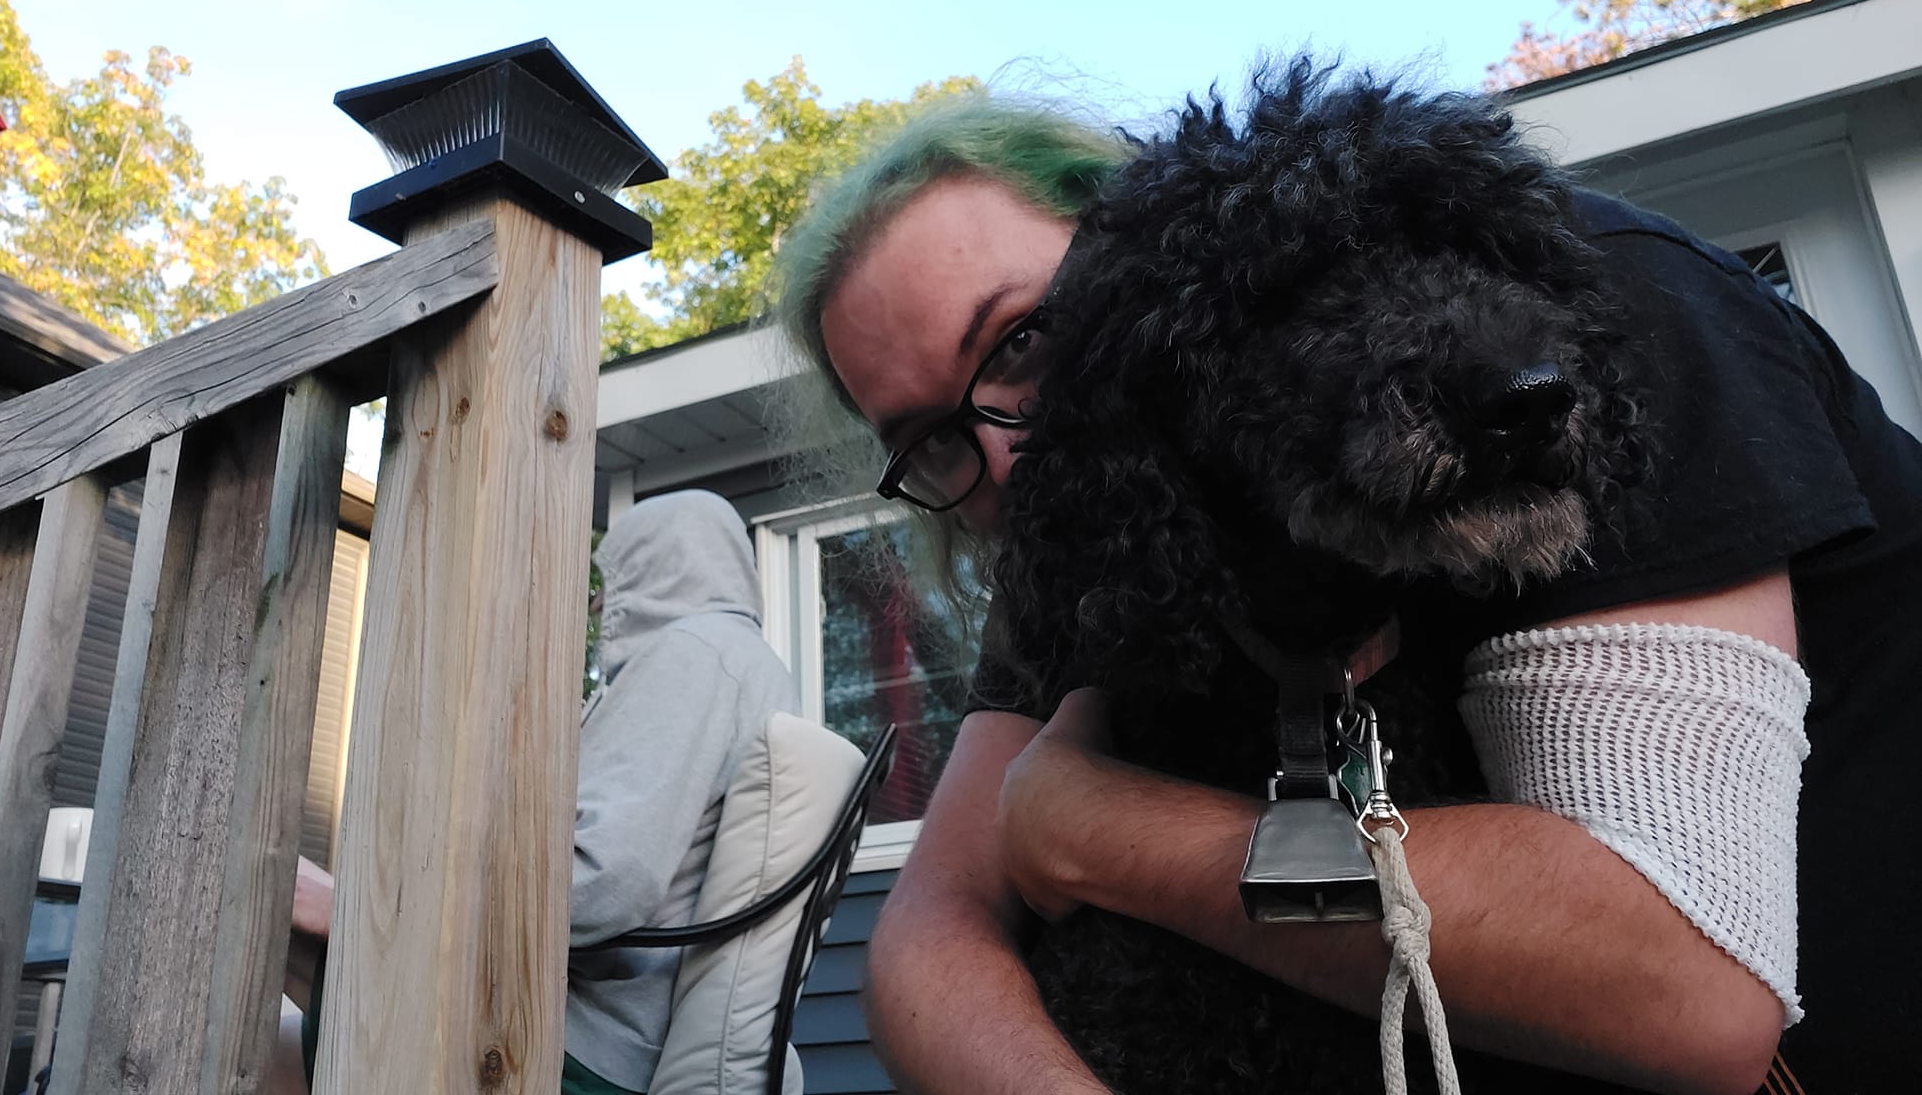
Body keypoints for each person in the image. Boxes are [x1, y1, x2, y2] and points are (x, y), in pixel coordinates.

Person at [767, 94, 1922, 1094]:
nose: (1006, 455)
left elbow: (1686, 987)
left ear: (1171, 240)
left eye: (1027, 338)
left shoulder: (1569, 320)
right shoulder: (1097, 524)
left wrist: (1086, 825)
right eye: (928, 441)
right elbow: (929, 940)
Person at [279, 489, 798, 1095]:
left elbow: (604, 881)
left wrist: (384, 905)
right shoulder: (751, 671)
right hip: (614, 1032)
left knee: (253, 892)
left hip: (560, 1040)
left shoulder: (694, 658)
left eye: (612, 583)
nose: (601, 606)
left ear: (657, 572)